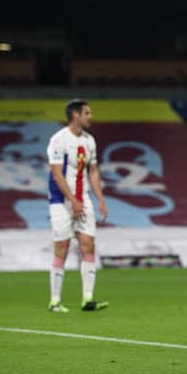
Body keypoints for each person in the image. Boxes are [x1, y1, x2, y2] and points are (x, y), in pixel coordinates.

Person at [47, 99, 109, 312]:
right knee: (62, 248)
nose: (90, 116)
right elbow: (56, 174)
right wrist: (72, 201)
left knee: (88, 244)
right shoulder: (59, 140)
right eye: (87, 113)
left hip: (83, 200)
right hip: (61, 202)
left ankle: (88, 299)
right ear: (75, 115)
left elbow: (93, 171)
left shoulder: (89, 141)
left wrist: (100, 199)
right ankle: (55, 301)